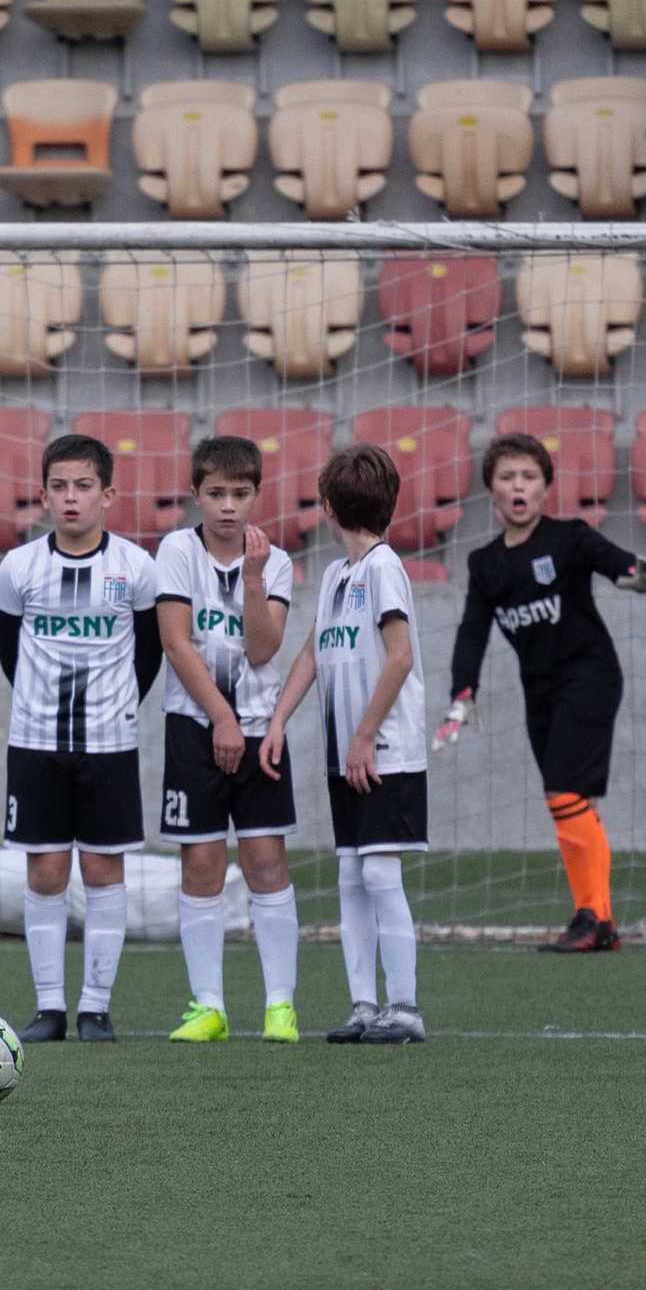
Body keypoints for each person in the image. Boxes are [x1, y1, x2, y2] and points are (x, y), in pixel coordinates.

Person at [435, 434, 646, 956]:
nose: (519, 486)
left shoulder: (569, 539)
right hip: (538, 692)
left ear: (545, 488)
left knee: (563, 794)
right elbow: (473, 631)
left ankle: (593, 917)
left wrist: (637, 575)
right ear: (491, 490)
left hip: (589, 678)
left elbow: (617, 563)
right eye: (507, 477)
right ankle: (599, 922)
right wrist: (461, 693)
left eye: (529, 477)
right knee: (572, 801)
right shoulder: (485, 564)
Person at [0, 432, 164, 1042]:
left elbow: (149, 655)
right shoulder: (18, 568)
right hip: (35, 741)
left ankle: (95, 1007)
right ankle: (49, 1009)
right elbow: (9, 653)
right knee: (44, 872)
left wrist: (114, 710)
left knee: (101, 869)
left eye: (84, 486)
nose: (71, 498)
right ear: (42, 496)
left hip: (109, 746)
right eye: (59, 487)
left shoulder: (137, 568)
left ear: (108, 494)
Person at [260, 441, 427, 1045]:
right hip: (346, 751)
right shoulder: (336, 574)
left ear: (328, 506)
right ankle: (363, 1005)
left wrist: (363, 736)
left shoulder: (384, 567)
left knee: (381, 872)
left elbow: (401, 657)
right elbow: (314, 649)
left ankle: (404, 1008)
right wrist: (279, 718)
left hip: (384, 749)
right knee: (352, 876)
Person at [154, 435, 302, 1046]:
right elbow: (176, 641)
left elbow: (265, 648)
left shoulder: (277, 562)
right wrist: (220, 718)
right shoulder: (175, 550)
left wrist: (253, 577)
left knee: (266, 862)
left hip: (262, 732)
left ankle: (280, 1007)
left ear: (257, 496)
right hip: (196, 728)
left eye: (240, 494)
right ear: (195, 494)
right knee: (202, 862)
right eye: (215, 493)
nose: (227, 507)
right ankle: (208, 1005)